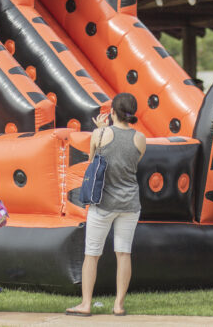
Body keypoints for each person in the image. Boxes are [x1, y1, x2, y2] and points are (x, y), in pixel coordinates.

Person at [66, 93, 147, 317]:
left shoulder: (100, 134)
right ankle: (119, 305)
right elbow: (131, 165)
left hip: (103, 203)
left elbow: (92, 163)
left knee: (92, 255)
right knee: (124, 253)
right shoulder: (140, 138)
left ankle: (85, 304)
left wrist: (101, 129)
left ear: (112, 112)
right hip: (130, 203)